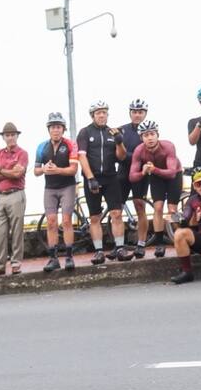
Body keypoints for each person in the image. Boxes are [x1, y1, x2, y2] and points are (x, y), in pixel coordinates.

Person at [77, 101, 129, 264]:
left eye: (104, 113)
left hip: (110, 177)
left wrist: (119, 142)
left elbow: (121, 157)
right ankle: (99, 251)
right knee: (95, 218)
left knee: (117, 214)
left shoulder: (112, 132)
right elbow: (82, 156)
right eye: (98, 113)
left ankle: (120, 248)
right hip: (92, 178)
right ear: (93, 116)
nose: (101, 115)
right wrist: (90, 178)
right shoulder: (85, 132)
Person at [33, 113, 79, 271]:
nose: (56, 130)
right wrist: (44, 169)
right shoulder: (42, 147)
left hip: (67, 187)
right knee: (51, 221)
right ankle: (53, 258)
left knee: (66, 221)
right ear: (49, 129)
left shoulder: (70, 144)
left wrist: (57, 169)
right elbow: (36, 171)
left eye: (59, 127)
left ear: (63, 129)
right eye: (53, 127)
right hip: (50, 188)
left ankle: (69, 256)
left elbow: (73, 170)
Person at [127, 119, 177, 259]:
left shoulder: (168, 146)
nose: (149, 138)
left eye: (152, 134)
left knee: (172, 209)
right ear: (141, 138)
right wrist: (143, 173)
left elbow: (172, 172)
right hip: (156, 175)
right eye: (146, 135)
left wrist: (154, 169)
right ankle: (160, 243)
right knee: (158, 208)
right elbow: (132, 177)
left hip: (173, 176)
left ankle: (180, 239)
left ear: (157, 134)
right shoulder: (139, 150)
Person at [0, 123, 28, 275]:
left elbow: (18, 174)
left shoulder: (22, 153)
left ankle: (16, 263)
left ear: (17, 136)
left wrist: (0, 170)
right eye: (7, 135)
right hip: (0, 195)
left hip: (16, 193)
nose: (10, 137)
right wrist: (8, 171)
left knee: (17, 230)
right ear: (3, 137)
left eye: (12, 134)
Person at [117, 98, 151, 252]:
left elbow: (150, 153)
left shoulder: (149, 131)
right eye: (135, 112)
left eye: (140, 112)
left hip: (141, 174)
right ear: (130, 113)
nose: (137, 115)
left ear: (145, 114)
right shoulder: (121, 130)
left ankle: (141, 244)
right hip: (123, 173)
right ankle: (118, 246)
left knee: (140, 207)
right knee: (116, 210)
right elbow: (116, 154)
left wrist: (128, 157)